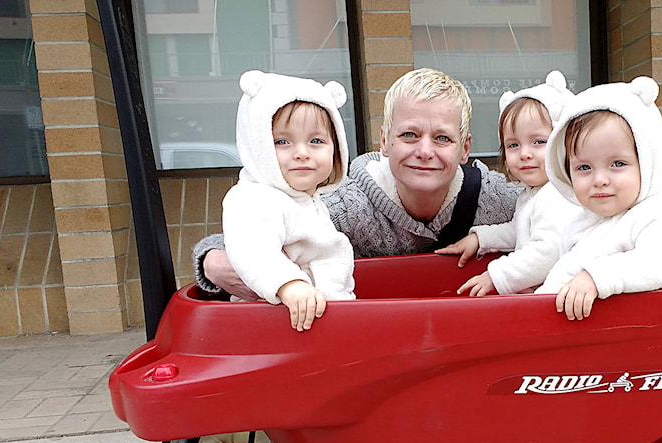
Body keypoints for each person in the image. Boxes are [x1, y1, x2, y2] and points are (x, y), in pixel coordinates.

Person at [193, 68, 520, 299]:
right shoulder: (346, 205)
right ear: (384, 142)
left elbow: (560, 216)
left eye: (442, 138)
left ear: (465, 149)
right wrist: (212, 262)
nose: (424, 151)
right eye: (409, 134)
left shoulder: (496, 201)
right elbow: (247, 236)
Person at [534, 76, 662, 320]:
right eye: (584, 168)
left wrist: (597, 278)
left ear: (648, 162)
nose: (599, 179)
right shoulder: (584, 219)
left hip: (616, 340)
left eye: (617, 164)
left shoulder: (658, 217)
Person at [222, 70, 355, 331]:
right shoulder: (254, 197)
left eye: (316, 140)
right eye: (282, 141)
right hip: (281, 325)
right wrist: (288, 284)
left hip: (325, 320)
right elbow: (252, 250)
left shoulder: (310, 201)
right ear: (257, 144)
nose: (302, 153)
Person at [434, 70, 586, 296]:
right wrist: (481, 238)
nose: (524, 153)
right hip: (542, 296)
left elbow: (547, 251)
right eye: (513, 145)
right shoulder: (533, 193)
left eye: (538, 142)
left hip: (560, 300)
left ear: (564, 144)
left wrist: (496, 275)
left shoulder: (557, 196)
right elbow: (518, 230)